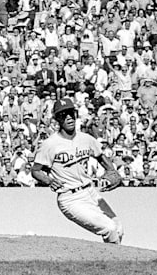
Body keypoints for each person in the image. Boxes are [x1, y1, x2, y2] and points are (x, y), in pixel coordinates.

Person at [31, 98, 124, 244]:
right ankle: (116, 265)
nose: (68, 117)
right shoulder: (50, 144)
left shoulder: (86, 139)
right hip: (70, 198)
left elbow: (100, 156)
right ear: (57, 120)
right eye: (63, 115)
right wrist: (48, 180)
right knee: (110, 228)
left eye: (70, 113)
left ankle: (112, 262)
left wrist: (112, 171)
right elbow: (35, 170)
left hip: (90, 192)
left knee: (118, 228)